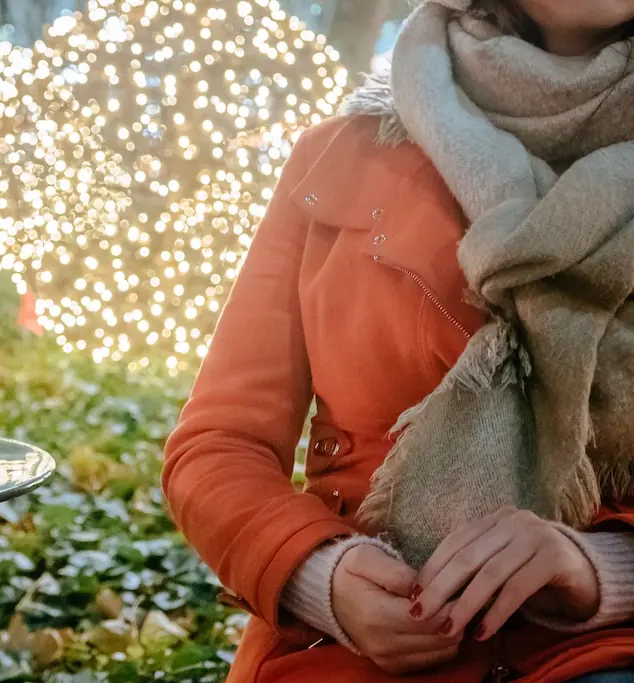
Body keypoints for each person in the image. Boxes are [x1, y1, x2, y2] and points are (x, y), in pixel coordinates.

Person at [162, 0, 634, 681]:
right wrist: (319, 573)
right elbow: (216, 446)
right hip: (352, 652)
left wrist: (599, 568)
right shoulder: (340, 155)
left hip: (597, 654)